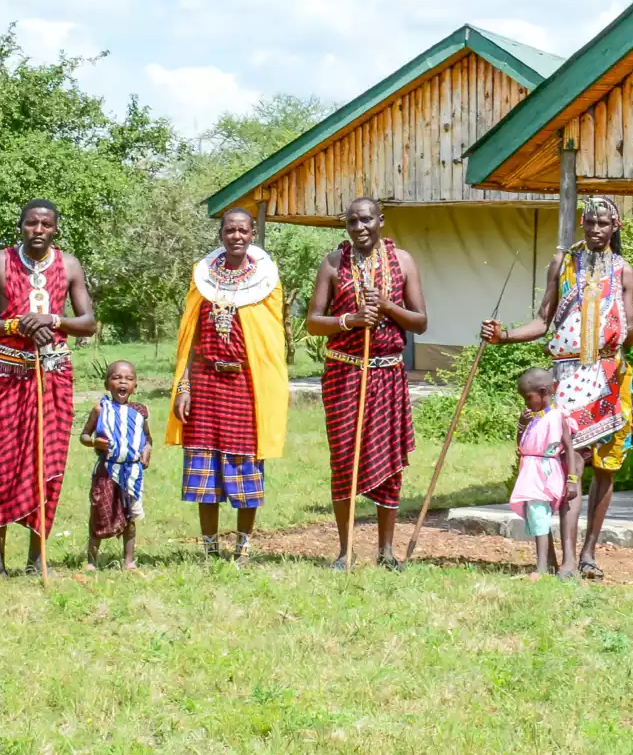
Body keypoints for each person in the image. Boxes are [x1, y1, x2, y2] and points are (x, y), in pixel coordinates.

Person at [481, 196, 633, 580]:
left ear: (615, 227)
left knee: (606, 468)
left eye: (603, 224)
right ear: (582, 223)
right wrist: (505, 336)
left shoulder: (624, 271)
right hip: (568, 376)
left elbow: (626, 333)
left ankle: (588, 553)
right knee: (569, 466)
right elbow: (545, 320)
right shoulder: (563, 264)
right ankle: (567, 561)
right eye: (589, 222)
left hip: (610, 376)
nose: (595, 229)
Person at [0, 199, 98, 579]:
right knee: (3, 464)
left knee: (47, 463)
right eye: (31, 224)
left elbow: (87, 322)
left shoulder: (69, 264)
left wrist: (52, 319)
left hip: (54, 374)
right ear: (20, 226)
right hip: (9, 375)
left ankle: (36, 559)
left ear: (55, 228)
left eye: (45, 224)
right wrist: (16, 325)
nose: (38, 230)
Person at [306, 197, 428, 569]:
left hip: (388, 374)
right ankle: (345, 551)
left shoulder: (403, 261)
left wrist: (388, 307)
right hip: (344, 373)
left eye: (366, 221)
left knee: (388, 462)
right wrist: (351, 320)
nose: (359, 228)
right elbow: (313, 322)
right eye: (352, 222)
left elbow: (420, 322)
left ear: (381, 220)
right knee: (344, 460)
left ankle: (386, 551)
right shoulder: (333, 263)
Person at [165, 209, 288, 564]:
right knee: (205, 464)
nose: (236, 235)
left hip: (247, 385)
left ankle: (243, 545)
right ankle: (208, 546)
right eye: (230, 230)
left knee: (245, 464)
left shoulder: (266, 281)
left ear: (252, 235)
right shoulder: (202, 278)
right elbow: (190, 338)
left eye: (243, 230)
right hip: (204, 383)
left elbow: (268, 339)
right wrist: (184, 385)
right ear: (221, 234)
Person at [509, 367, 579, 580]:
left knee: (540, 516)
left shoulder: (558, 416)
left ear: (542, 392)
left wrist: (572, 480)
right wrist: (521, 425)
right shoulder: (536, 417)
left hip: (545, 473)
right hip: (531, 472)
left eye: (528, 398)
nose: (526, 403)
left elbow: (569, 449)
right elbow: (521, 445)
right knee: (537, 516)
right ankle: (544, 564)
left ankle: (541, 568)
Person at [81, 360, 151, 571]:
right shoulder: (100, 409)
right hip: (107, 471)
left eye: (128, 379)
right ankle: (91, 561)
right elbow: (84, 435)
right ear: (106, 384)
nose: (123, 382)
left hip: (131, 472)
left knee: (129, 515)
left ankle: (129, 561)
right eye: (117, 378)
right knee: (99, 512)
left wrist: (147, 450)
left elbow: (147, 438)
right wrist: (94, 442)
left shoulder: (140, 412)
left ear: (135, 386)